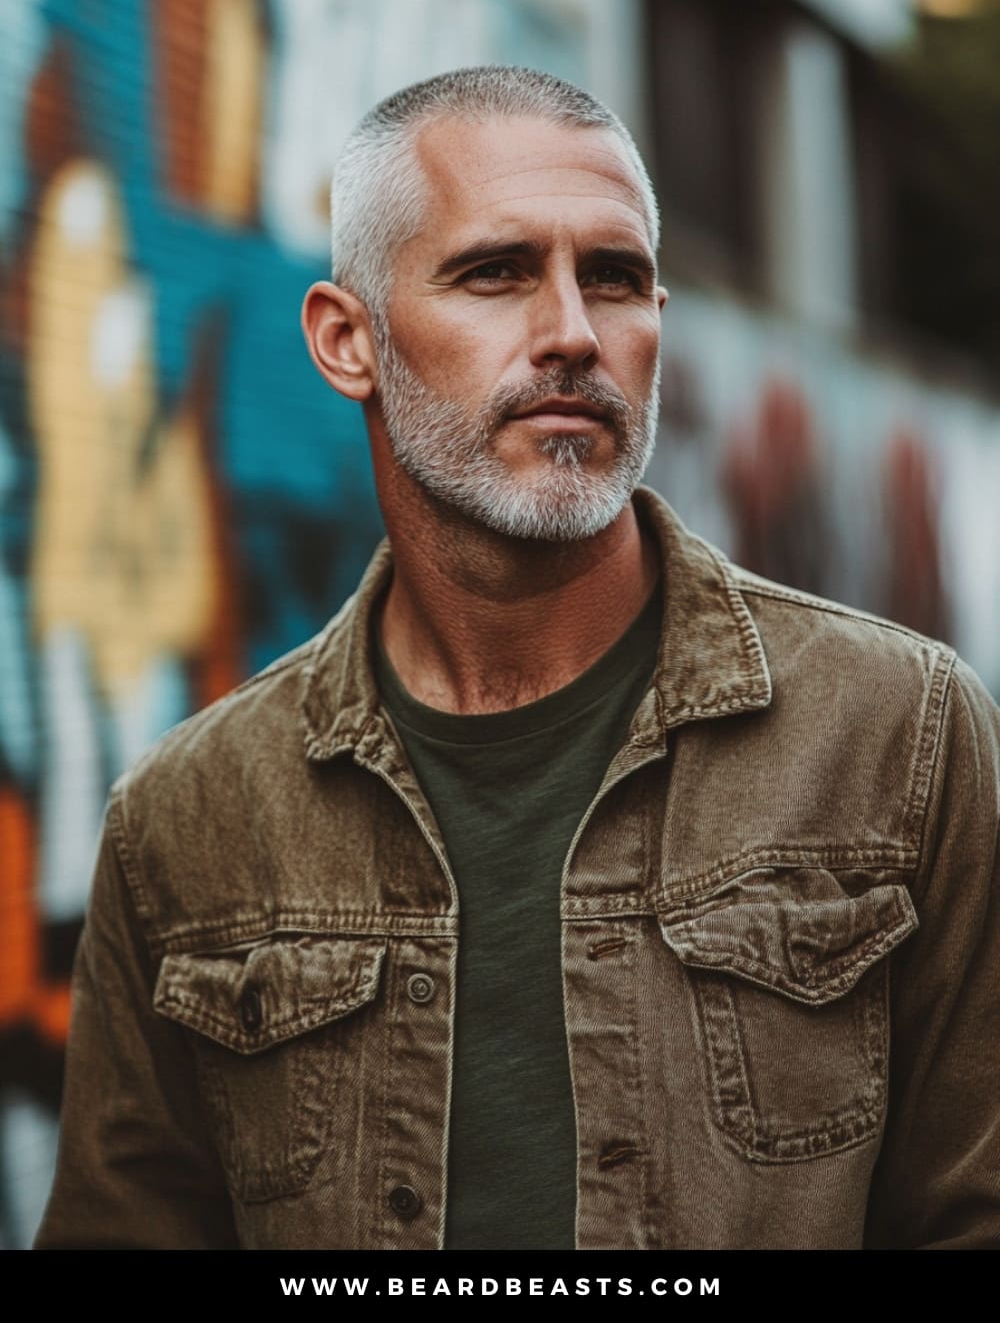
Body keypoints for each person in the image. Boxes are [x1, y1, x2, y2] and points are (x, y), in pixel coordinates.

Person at [37, 66, 1000, 1251]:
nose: (572, 335)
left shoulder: (898, 735)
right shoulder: (186, 819)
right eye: (496, 273)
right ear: (349, 342)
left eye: (616, 278)